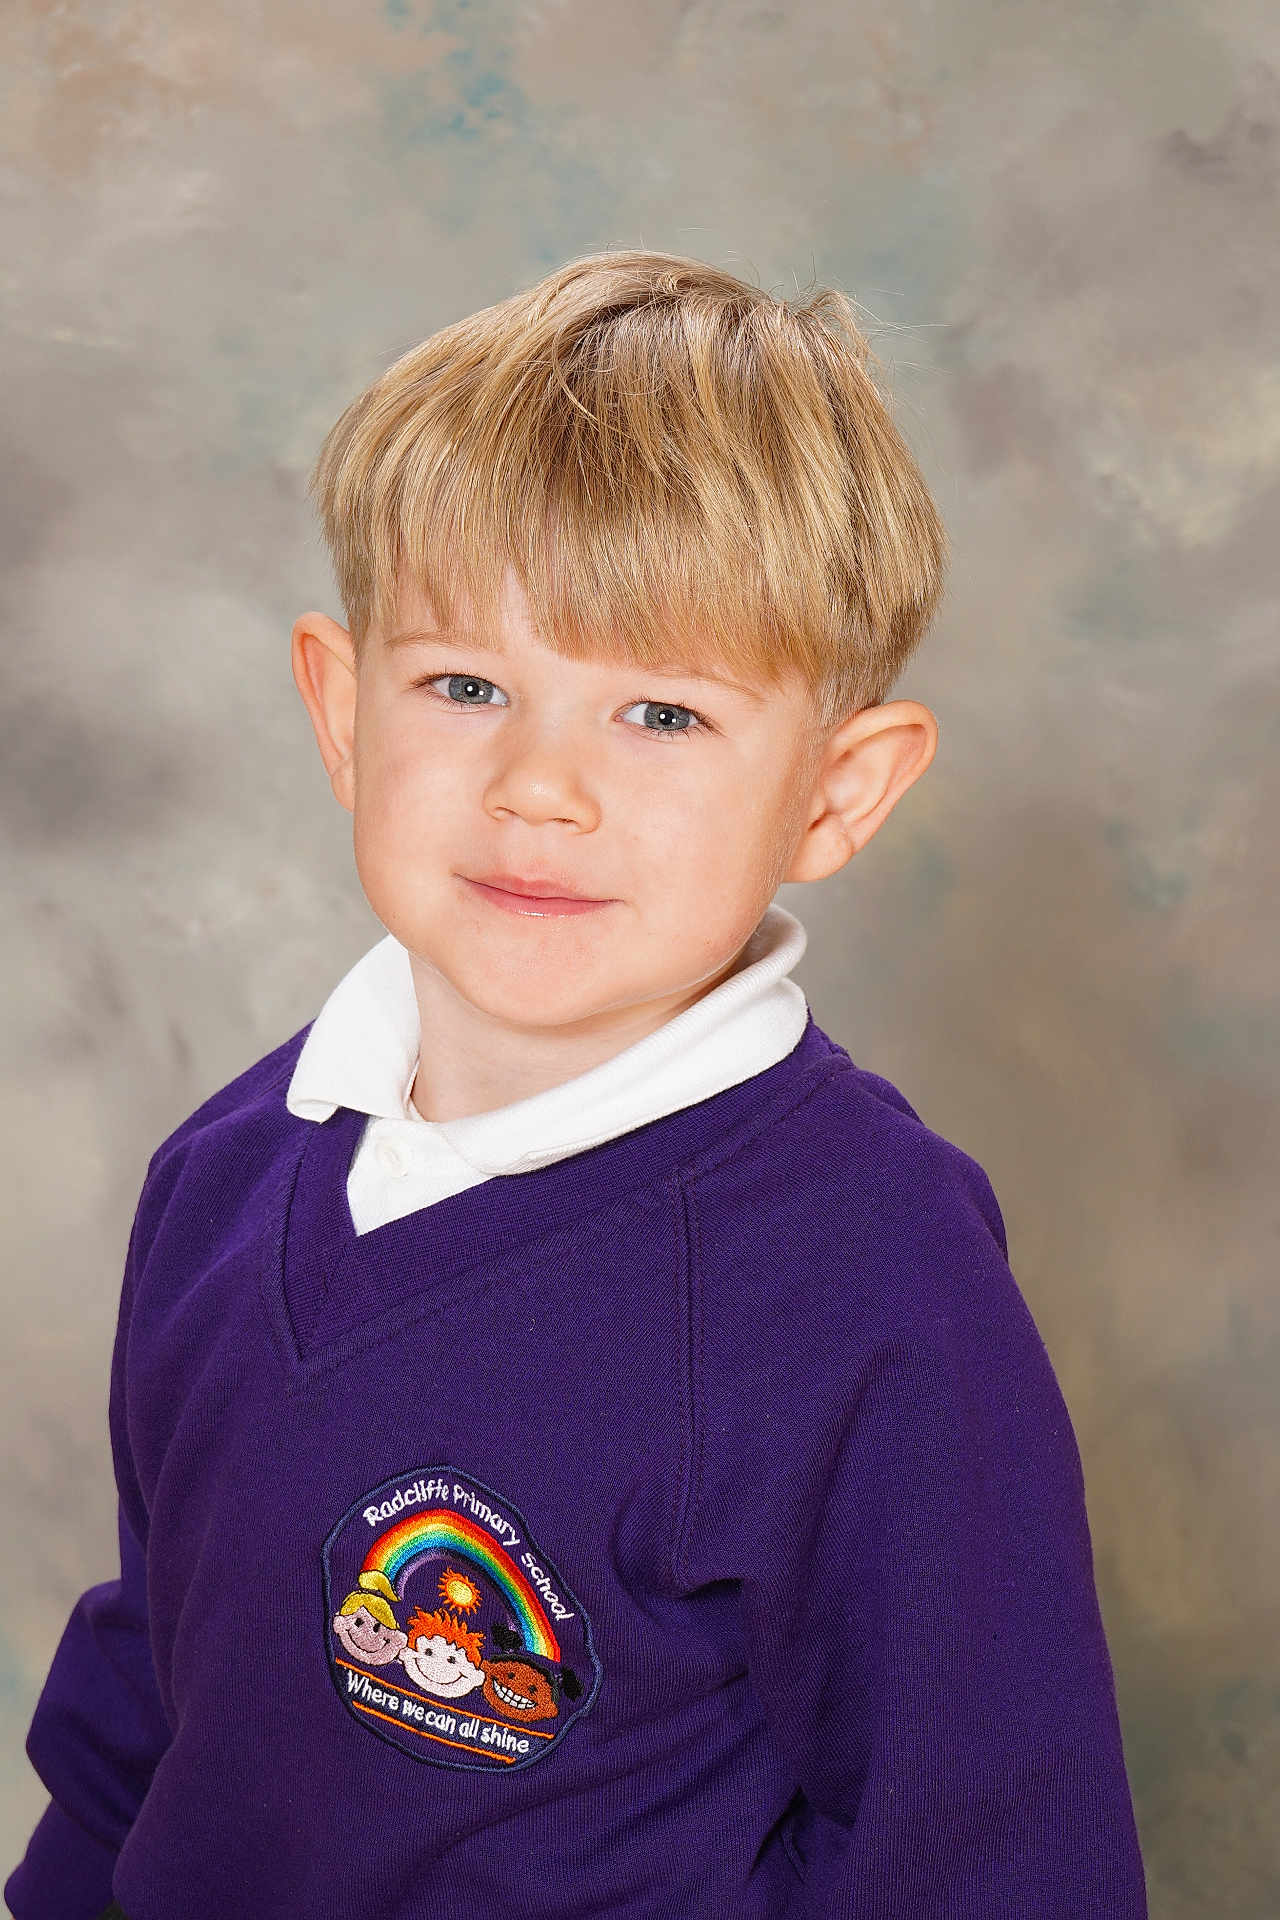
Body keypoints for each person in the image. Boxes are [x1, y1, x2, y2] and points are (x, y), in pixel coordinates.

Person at [5, 249, 1148, 1919]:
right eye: (466, 686)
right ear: (343, 713)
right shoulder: (224, 1173)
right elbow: (150, 1701)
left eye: (662, 715)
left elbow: (990, 1862)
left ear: (834, 794)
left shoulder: (874, 1276)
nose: (540, 786)